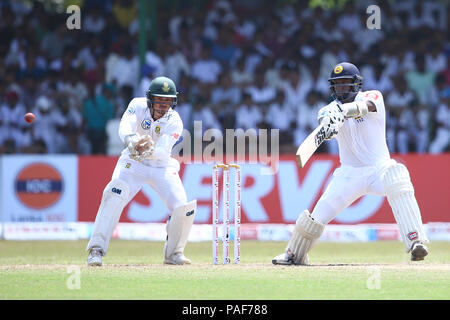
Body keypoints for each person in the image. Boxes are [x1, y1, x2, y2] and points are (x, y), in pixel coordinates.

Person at [272, 62, 429, 265]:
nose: (341, 88)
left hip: (379, 169)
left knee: (398, 175)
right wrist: (329, 125)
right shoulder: (327, 110)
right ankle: (294, 254)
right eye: (337, 85)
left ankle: (415, 241)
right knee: (317, 215)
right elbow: (324, 124)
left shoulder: (374, 96)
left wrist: (344, 111)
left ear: (356, 84)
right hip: (348, 175)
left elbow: (366, 107)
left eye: (345, 84)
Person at [86, 76, 196, 266]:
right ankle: (96, 250)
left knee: (181, 207)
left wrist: (146, 148)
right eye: (159, 100)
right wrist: (132, 142)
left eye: (167, 101)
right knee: (114, 193)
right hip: (132, 162)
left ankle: (174, 254)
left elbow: (163, 151)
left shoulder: (175, 120)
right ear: (150, 99)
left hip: (160, 165)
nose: (163, 105)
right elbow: (125, 126)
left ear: (174, 101)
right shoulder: (137, 105)